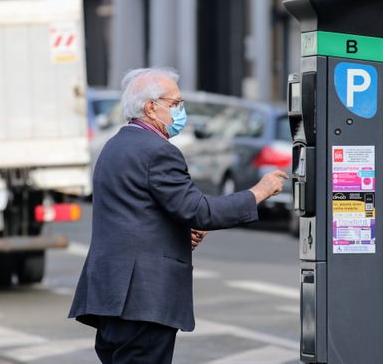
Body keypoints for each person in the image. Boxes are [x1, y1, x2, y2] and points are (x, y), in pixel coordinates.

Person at [69, 67, 288, 364]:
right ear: (151, 107)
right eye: (174, 104)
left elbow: (134, 215)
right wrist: (258, 192)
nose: (181, 112)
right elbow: (199, 211)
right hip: (142, 301)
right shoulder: (158, 151)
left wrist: (178, 234)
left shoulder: (115, 146)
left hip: (110, 295)